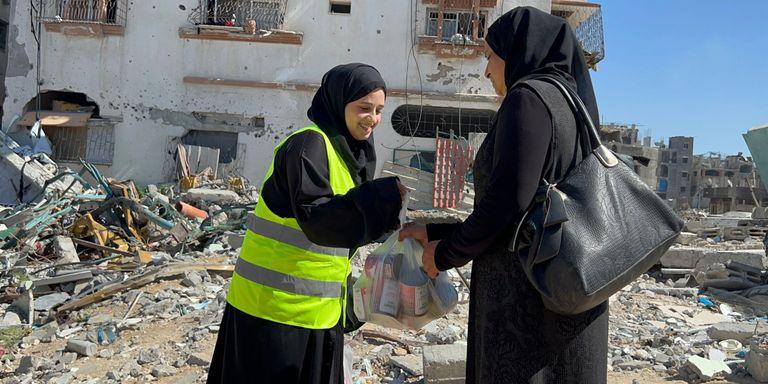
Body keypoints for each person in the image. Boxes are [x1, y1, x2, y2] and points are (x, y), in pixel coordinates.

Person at [400, 7, 608, 384]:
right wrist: (436, 231)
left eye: (490, 56)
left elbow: (508, 202)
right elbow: (534, 206)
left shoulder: (528, 98)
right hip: (567, 288)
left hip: (525, 300)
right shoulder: (569, 103)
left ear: (517, 51)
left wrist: (445, 254)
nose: (486, 70)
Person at [207, 63, 407, 384]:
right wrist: (379, 203)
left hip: (318, 316)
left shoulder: (350, 156)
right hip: (271, 317)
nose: (373, 118)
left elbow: (336, 242)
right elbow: (319, 219)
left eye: (380, 110)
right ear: (338, 103)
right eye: (363, 108)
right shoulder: (308, 146)